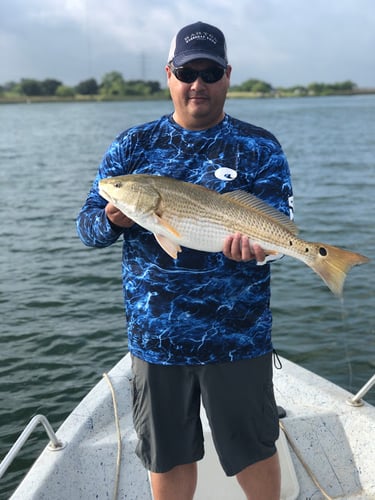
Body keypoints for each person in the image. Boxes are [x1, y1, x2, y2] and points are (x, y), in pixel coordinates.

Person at [76, 21, 293, 500]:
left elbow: (276, 231)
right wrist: (114, 220)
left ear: (227, 76)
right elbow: (87, 227)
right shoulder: (132, 147)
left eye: (210, 72)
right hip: (157, 341)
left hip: (239, 336)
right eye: (187, 71)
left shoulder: (260, 147)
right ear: (168, 75)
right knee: (168, 455)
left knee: (254, 449)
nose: (198, 83)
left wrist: (255, 252)